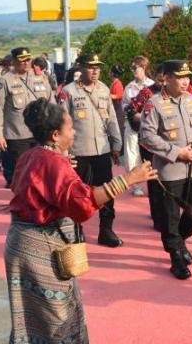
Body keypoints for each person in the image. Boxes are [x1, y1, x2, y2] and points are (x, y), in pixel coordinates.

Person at [5, 98, 157, 344]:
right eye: (70, 128)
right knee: (56, 319)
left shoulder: (31, 155)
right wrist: (128, 180)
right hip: (41, 251)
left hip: (20, 244)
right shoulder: (54, 162)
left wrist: (63, 165)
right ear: (55, 135)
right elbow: (83, 205)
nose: (74, 132)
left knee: (32, 319)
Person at [140, 60, 192, 279]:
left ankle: (179, 242)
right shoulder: (155, 103)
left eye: (187, 76)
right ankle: (176, 257)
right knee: (170, 217)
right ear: (166, 78)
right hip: (169, 171)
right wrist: (176, 152)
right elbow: (147, 136)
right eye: (180, 77)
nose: (185, 81)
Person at [60, 54, 124, 247]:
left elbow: (112, 119)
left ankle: (106, 230)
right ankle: (76, 231)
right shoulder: (68, 91)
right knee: (78, 195)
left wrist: (116, 145)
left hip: (102, 150)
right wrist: (63, 153)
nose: (95, 70)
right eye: (91, 67)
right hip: (78, 152)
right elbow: (61, 123)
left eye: (98, 67)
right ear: (81, 68)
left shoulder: (104, 89)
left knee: (108, 193)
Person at [0, 47, 55, 187]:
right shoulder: (4, 81)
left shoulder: (40, 77)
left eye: (28, 60)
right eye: (22, 61)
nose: (26, 63)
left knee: (42, 173)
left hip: (40, 135)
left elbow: (51, 103)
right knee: (21, 175)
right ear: (13, 61)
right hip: (17, 136)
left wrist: (54, 128)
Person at [130, 64, 166, 230]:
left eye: (166, 79)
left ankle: (168, 212)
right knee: (153, 179)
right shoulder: (146, 92)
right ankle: (157, 215)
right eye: (160, 79)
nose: (163, 83)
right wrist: (145, 118)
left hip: (169, 144)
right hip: (149, 144)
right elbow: (129, 110)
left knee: (168, 178)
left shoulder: (180, 92)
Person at [123, 56, 154, 197]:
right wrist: (132, 113)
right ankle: (135, 184)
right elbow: (124, 105)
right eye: (132, 68)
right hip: (132, 125)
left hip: (149, 125)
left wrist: (143, 115)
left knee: (150, 154)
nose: (133, 71)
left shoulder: (152, 85)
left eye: (136, 68)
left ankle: (153, 183)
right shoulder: (129, 88)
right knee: (132, 153)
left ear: (143, 68)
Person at [109, 65, 125, 139]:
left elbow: (119, 95)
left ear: (112, 73)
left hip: (117, 108)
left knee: (118, 131)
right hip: (115, 108)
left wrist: (107, 95)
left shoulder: (117, 83)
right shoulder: (114, 83)